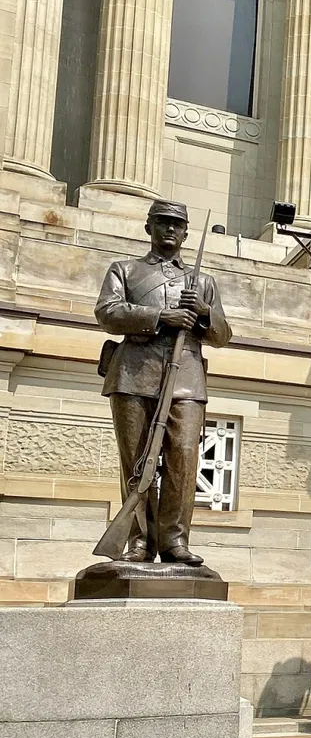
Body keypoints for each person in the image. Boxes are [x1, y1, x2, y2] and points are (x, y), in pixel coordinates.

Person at [94, 199, 231, 564]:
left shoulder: (203, 282)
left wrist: (204, 314)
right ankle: (139, 541)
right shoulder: (124, 270)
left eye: (176, 224)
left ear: (186, 233)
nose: (169, 229)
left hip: (185, 378)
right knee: (136, 461)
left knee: (183, 460)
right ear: (148, 228)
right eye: (162, 222)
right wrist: (161, 316)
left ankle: (174, 541)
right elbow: (107, 312)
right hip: (134, 374)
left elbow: (223, 335)